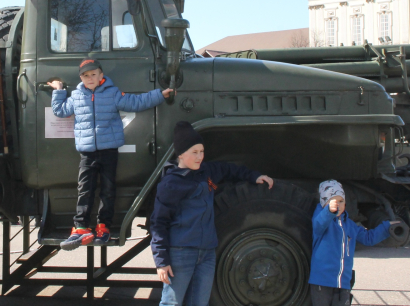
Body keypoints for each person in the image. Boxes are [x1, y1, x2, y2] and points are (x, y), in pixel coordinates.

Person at [50, 58, 173, 249]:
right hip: (87, 153)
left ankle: (103, 226)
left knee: (108, 190)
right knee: (85, 190)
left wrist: (160, 95)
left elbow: (136, 102)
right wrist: (58, 90)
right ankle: (81, 227)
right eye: (85, 75)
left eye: (93, 74)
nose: (89, 78)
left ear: (101, 75)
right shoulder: (76, 96)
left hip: (109, 151)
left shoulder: (112, 93)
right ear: (81, 78)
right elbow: (59, 110)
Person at [150, 121, 274, 306]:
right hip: (181, 253)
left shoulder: (206, 172)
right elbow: (158, 223)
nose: (200, 157)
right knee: (171, 303)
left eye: (202, 151)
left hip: (207, 253)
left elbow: (229, 169)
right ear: (181, 154)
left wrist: (254, 176)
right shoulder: (170, 184)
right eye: (195, 152)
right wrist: (161, 261)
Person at [309, 180, 398, 306]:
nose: (338, 205)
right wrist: (329, 211)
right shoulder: (321, 221)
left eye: (341, 201)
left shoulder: (349, 224)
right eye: (333, 201)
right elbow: (319, 224)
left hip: (343, 282)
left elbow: (368, 238)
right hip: (322, 282)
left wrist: (387, 227)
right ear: (324, 202)